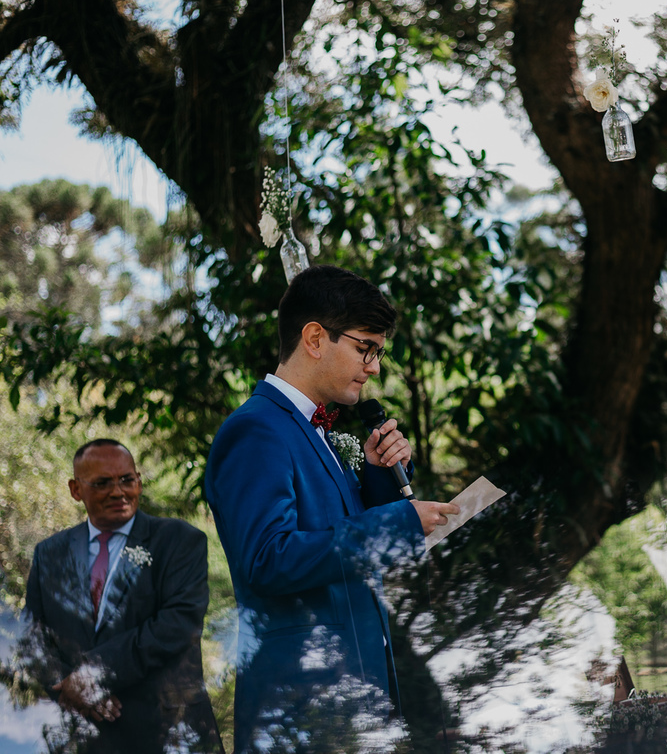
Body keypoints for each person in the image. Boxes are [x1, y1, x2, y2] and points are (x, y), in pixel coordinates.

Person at [204, 265, 459, 751]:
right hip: (300, 712)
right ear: (316, 338)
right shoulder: (256, 429)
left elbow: (339, 550)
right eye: (367, 348)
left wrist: (380, 482)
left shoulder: (318, 432)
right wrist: (396, 524)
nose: (375, 367)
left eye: (378, 353)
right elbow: (268, 559)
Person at [23, 439, 223, 754]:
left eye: (127, 480)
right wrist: (67, 686)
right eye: (102, 483)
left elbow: (179, 624)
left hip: (171, 733)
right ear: (76, 490)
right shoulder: (49, 553)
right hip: (83, 734)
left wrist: (95, 674)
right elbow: (33, 634)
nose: (118, 492)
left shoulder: (179, 541)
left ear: (139, 481)